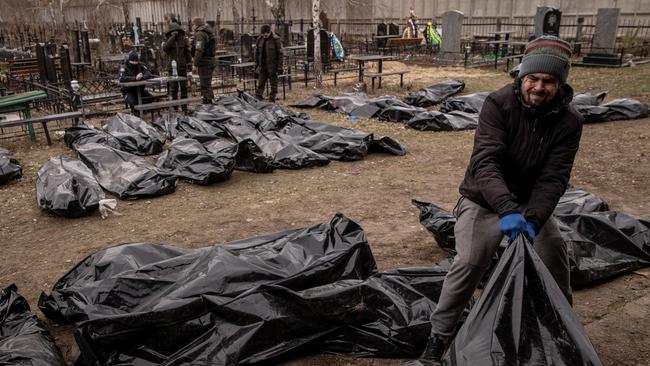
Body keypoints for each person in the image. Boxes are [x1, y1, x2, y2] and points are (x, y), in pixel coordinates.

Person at [411, 35, 582, 365]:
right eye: (532, 78)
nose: (539, 87)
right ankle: (438, 338)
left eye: (549, 81)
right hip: (483, 200)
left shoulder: (570, 121)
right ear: (521, 76)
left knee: (554, 255)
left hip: (531, 204)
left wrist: (533, 218)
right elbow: (485, 162)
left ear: (560, 84)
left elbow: (554, 177)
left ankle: (564, 331)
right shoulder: (498, 103)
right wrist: (505, 208)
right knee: (470, 261)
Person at [163, 13, 191, 110]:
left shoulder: (183, 40)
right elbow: (165, 48)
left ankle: (184, 107)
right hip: (172, 68)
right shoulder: (168, 40)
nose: (175, 33)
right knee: (173, 89)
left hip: (182, 67)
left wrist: (190, 66)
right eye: (173, 32)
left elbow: (187, 52)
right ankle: (175, 108)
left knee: (184, 88)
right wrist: (172, 38)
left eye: (177, 32)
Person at [254, 24, 283, 103]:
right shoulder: (259, 39)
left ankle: (272, 99)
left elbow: (280, 54)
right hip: (262, 66)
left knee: (273, 84)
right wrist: (256, 66)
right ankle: (258, 97)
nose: (265, 36)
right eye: (263, 34)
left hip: (273, 66)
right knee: (261, 83)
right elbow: (257, 53)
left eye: (266, 34)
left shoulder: (276, 39)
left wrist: (280, 67)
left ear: (269, 32)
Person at [191, 17, 216, 104]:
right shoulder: (207, 32)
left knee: (205, 84)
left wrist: (195, 63)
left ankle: (209, 103)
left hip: (205, 62)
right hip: (210, 60)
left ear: (196, 24)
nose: (192, 26)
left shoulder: (200, 34)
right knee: (206, 83)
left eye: (193, 24)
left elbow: (199, 50)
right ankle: (207, 100)